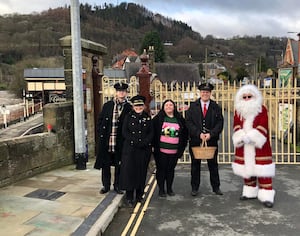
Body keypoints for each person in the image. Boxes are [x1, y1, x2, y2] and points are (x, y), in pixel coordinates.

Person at [232, 84, 275, 208]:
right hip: (243, 145)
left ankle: (266, 195)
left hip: (259, 146)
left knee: (263, 171)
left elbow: (263, 125)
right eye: (244, 97)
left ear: (255, 96)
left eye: (249, 96)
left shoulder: (262, 109)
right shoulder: (238, 111)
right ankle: (249, 191)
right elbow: (236, 125)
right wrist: (240, 136)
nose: (246, 99)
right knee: (247, 170)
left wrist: (252, 137)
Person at [186, 82, 224, 196]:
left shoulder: (215, 107)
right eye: (203, 92)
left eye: (207, 92)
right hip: (196, 140)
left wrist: (211, 134)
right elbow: (188, 122)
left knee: (213, 165)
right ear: (200, 93)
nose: (205, 94)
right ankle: (194, 188)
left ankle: (216, 187)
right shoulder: (193, 106)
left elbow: (220, 123)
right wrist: (198, 134)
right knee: (195, 165)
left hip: (211, 140)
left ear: (210, 93)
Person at [94, 82, 132, 194]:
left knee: (118, 165)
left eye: (123, 91)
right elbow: (100, 120)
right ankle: (106, 186)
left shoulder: (129, 108)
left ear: (126, 92)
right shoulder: (108, 105)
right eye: (119, 91)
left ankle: (117, 186)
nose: (121, 93)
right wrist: (101, 132)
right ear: (116, 92)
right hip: (107, 140)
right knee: (105, 165)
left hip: (120, 141)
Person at [120, 95, 153, 206]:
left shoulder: (147, 117)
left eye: (140, 105)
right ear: (133, 106)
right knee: (130, 173)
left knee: (141, 173)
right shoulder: (128, 117)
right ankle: (129, 197)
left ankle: (139, 196)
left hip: (143, 150)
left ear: (144, 106)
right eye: (136, 106)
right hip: (131, 149)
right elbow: (124, 132)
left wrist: (144, 142)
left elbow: (151, 133)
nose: (138, 107)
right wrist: (134, 141)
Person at [152, 99, 188, 197]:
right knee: (161, 170)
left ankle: (169, 188)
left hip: (174, 151)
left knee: (170, 170)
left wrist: (182, 148)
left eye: (170, 105)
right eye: (166, 105)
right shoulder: (158, 119)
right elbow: (153, 133)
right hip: (161, 151)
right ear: (163, 107)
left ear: (174, 107)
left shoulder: (180, 119)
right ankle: (161, 189)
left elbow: (185, 135)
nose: (168, 107)